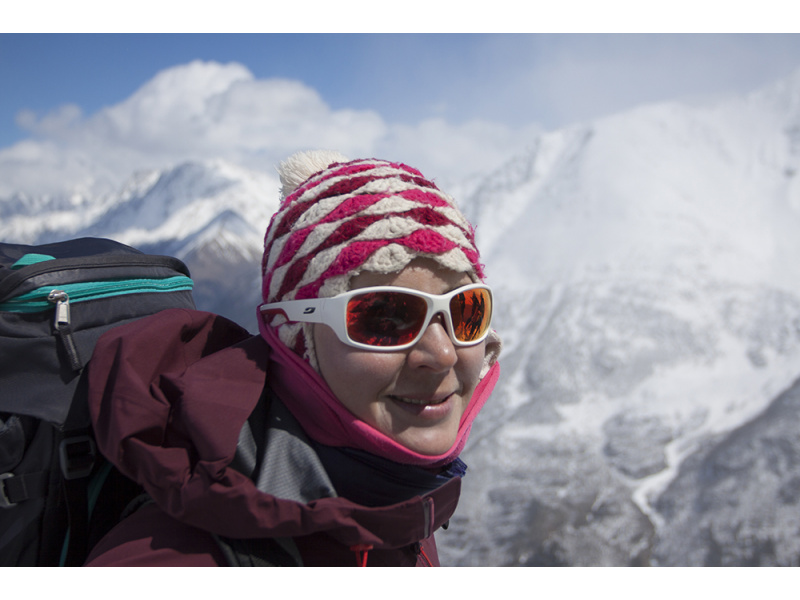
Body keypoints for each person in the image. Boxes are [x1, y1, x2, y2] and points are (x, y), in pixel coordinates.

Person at [84, 151, 502, 567]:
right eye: (385, 319)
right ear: (295, 338)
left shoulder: (399, 504)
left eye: (466, 309)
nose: (442, 354)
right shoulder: (165, 561)